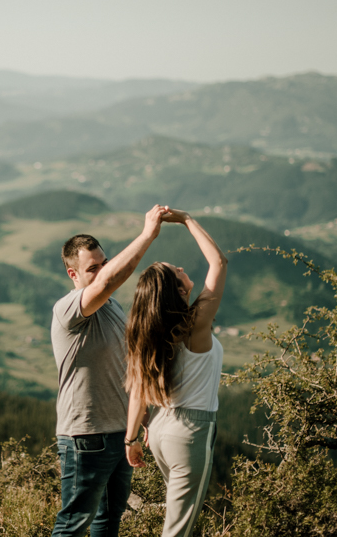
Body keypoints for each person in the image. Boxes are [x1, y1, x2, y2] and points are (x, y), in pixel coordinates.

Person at [50, 204, 170, 537]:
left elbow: (125, 367)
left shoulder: (113, 306)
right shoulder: (69, 309)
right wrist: (148, 235)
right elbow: (106, 282)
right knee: (73, 524)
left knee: (109, 520)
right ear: (73, 274)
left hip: (120, 434)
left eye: (103, 263)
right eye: (93, 268)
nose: (102, 271)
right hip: (86, 436)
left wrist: (140, 419)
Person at [123, 208, 228, 537]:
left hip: (161, 430)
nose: (182, 267)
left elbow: (138, 392)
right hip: (191, 431)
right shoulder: (195, 325)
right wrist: (186, 220)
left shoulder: (152, 336)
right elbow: (219, 263)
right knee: (178, 530)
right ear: (178, 289)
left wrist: (131, 439)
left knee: (182, 519)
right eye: (177, 270)